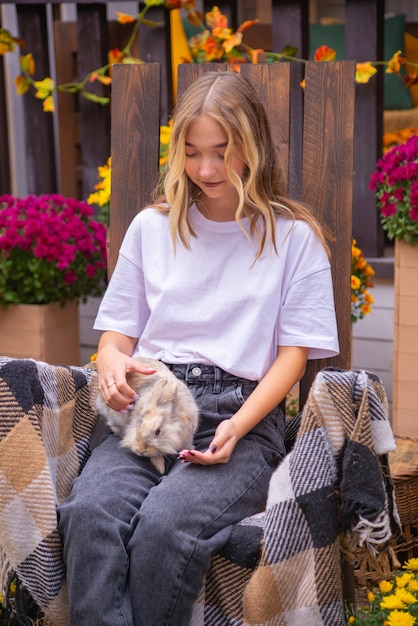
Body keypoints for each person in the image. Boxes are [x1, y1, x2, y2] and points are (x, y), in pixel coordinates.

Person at [58, 70, 339, 625]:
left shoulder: (293, 238)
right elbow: (115, 334)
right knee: (91, 513)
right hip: (150, 407)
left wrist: (240, 425)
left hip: (241, 415)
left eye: (223, 152)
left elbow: (292, 358)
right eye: (192, 153)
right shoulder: (151, 228)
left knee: (165, 527)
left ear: (252, 147)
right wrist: (112, 361)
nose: (207, 170)